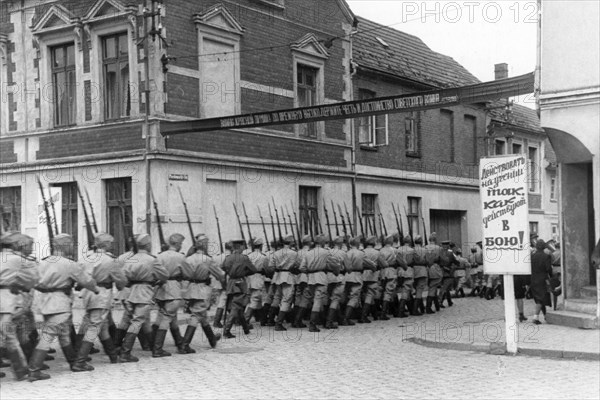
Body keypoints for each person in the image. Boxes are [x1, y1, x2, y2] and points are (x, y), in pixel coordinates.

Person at [28, 234, 99, 381]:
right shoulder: (69, 264)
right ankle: (34, 370)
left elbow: (33, 281)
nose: (72, 247)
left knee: (64, 334)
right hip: (60, 303)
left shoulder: (43, 262)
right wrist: (96, 289)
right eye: (71, 244)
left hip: (45, 301)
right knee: (48, 336)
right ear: (65, 246)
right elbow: (86, 281)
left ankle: (74, 363)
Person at [73, 233, 127, 371]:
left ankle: (113, 356)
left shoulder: (86, 257)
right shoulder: (109, 260)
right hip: (101, 294)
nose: (113, 245)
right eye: (111, 243)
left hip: (87, 293)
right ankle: (80, 361)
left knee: (100, 325)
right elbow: (120, 280)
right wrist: (120, 287)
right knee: (95, 326)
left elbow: (78, 276)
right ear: (106, 244)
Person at [116, 234, 169, 362]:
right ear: (148, 245)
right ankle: (125, 352)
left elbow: (122, 278)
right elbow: (164, 275)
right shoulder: (152, 260)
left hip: (131, 292)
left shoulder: (131, 259)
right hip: (145, 292)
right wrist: (156, 281)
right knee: (137, 322)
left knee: (129, 320)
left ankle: (121, 347)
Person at [0, 233, 39, 381]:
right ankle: (21, 370)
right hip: (7, 300)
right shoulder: (19, 260)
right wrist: (22, 286)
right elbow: (33, 279)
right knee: (9, 335)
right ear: (16, 245)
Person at [179, 234, 223, 351]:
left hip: (190, 288)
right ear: (205, 245)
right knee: (196, 315)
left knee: (202, 316)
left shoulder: (187, 259)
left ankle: (212, 339)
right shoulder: (207, 259)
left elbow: (184, 275)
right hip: (202, 290)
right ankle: (184, 345)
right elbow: (220, 275)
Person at [154, 233, 187, 354]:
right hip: (173, 289)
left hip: (161, 289)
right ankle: (157, 348)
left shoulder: (160, 256)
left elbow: (156, 273)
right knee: (167, 318)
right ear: (177, 244)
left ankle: (181, 345)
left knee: (172, 318)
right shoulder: (180, 257)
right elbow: (187, 273)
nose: (181, 246)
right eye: (181, 243)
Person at [221, 239, 258, 338]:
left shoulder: (228, 258)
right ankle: (226, 330)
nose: (243, 248)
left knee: (239, 307)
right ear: (240, 247)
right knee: (236, 306)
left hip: (231, 282)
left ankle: (245, 328)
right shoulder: (244, 258)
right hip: (240, 283)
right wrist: (244, 273)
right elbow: (254, 270)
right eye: (243, 246)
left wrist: (231, 272)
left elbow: (223, 267)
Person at [298, 234, 330, 332]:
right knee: (318, 300)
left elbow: (302, 267)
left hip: (310, 278)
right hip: (321, 277)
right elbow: (333, 263)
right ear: (322, 243)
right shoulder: (326, 252)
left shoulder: (308, 253)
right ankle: (312, 324)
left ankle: (299, 319)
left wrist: (310, 271)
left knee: (309, 299)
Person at [268, 235, 299, 331]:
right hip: (288, 276)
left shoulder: (276, 253)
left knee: (277, 298)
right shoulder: (293, 253)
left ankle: (270, 319)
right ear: (291, 243)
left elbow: (271, 266)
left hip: (278, 276)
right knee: (286, 299)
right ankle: (279, 323)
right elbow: (297, 265)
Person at [530, 239, 553, 324]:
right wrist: (551, 276)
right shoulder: (546, 256)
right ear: (544, 247)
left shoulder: (532, 256)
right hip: (542, 279)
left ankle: (546, 316)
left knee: (539, 298)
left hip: (533, 278)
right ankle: (535, 317)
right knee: (541, 298)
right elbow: (548, 269)